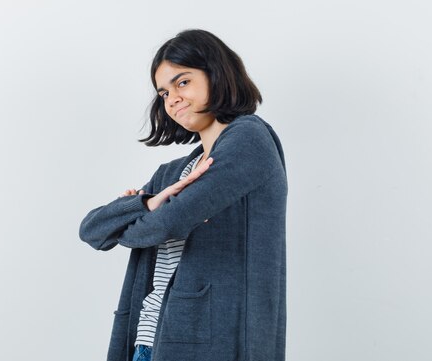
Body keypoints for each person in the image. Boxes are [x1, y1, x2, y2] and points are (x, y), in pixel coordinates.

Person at [79, 29, 288, 361]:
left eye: (183, 82)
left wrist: (138, 220)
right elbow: (92, 231)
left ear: (217, 74)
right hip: (147, 339)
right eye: (163, 92)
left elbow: (168, 223)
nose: (172, 98)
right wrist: (147, 203)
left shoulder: (249, 138)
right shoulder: (172, 171)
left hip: (208, 342)